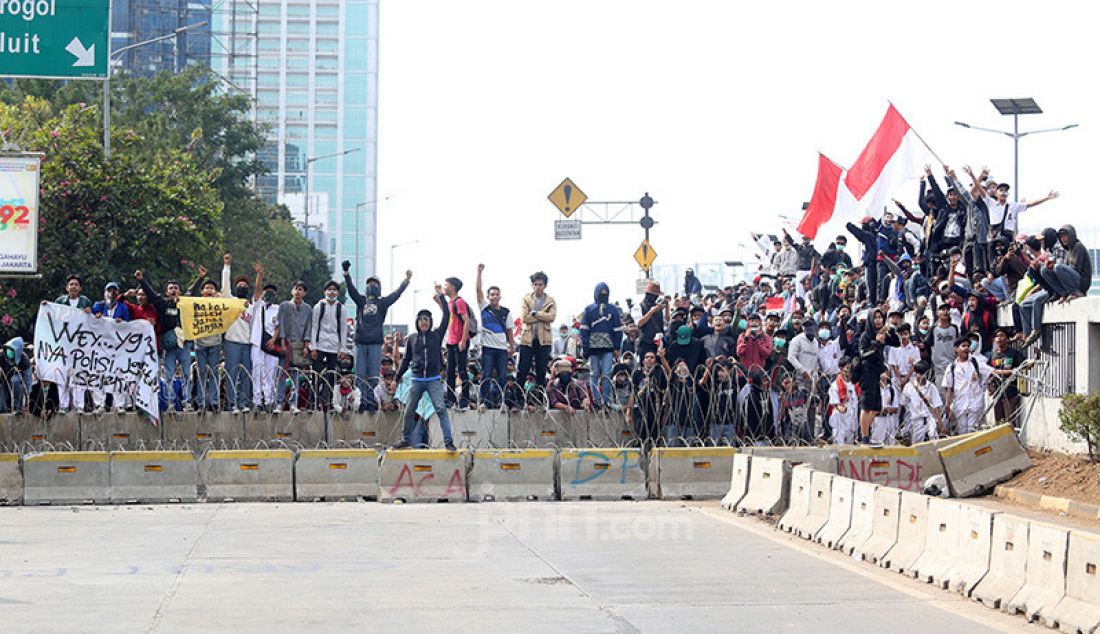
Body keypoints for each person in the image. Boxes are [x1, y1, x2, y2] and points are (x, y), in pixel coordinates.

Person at [343, 261, 412, 411]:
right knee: (360, 375)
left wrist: (405, 282)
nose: (372, 286)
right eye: (369, 284)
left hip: (375, 343)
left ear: (379, 288)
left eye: (375, 284)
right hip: (360, 342)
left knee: (373, 376)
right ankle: (361, 402)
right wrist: (346, 274)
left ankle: (371, 402)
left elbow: (396, 294)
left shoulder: (383, 303)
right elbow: (351, 290)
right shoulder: (361, 301)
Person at [394, 285, 455, 451]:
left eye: (427, 319)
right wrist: (397, 378)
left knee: (441, 410)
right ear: (417, 322)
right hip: (417, 380)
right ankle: (406, 439)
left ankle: (448, 442)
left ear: (430, 322)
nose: (424, 322)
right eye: (421, 319)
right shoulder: (412, 339)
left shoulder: (436, 335)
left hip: (433, 380)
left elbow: (447, 315)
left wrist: (441, 296)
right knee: (409, 411)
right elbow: (406, 359)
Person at [136, 270, 192, 411]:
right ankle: (170, 403)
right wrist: (142, 280)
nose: (174, 290)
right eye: (171, 288)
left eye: (176, 288)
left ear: (180, 291)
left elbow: (194, 293)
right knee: (168, 374)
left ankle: (187, 401)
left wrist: (201, 278)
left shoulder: (185, 303)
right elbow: (152, 295)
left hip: (184, 344)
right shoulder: (162, 304)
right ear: (167, 292)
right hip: (169, 345)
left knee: (186, 373)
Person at [222, 257, 260, 414]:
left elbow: (259, 293)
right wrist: (227, 265)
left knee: (246, 374)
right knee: (232, 373)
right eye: (239, 285)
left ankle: (243, 402)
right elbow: (225, 285)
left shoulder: (251, 307)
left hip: (247, 344)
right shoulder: (230, 301)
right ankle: (232, 403)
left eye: (245, 285)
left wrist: (259, 274)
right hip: (231, 342)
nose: (242, 287)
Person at [475, 264, 515, 409]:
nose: (495, 297)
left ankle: (502, 401)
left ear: (500, 296)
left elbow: (510, 331)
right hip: (488, 348)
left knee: (502, 377)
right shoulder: (484, 308)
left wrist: (512, 346)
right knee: (486, 375)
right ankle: (484, 402)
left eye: (497, 294)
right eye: (492, 294)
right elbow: (478, 290)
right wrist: (479, 273)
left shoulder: (506, 312)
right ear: (488, 296)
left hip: (502, 349)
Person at [580, 282, 622, 408]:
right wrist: (586, 348)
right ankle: (597, 402)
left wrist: (616, 347)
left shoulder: (612, 310)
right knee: (594, 374)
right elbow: (584, 330)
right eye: (601, 292)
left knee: (607, 374)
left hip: (608, 349)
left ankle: (606, 401)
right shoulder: (589, 309)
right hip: (593, 349)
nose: (603, 295)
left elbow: (617, 330)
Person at [188, 269, 224, 412]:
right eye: (206, 288)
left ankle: (214, 402)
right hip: (200, 344)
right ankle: (201, 402)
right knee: (201, 373)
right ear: (202, 291)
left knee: (214, 373)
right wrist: (200, 278)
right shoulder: (197, 303)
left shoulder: (220, 304)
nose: (209, 290)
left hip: (215, 343)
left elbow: (231, 307)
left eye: (212, 288)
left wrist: (220, 297)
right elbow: (188, 295)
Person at [942, 337, 993, 435]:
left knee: (971, 431)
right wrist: (948, 406)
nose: (966, 348)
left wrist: (1014, 371)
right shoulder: (951, 367)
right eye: (963, 346)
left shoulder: (975, 362)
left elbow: (992, 371)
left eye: (968, 346)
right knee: (962, 432)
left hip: (975, 403)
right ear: (956, 349)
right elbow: (949, 389)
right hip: (960, 405)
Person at [311, 280, 348, 411]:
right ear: (325, 291)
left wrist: (342, 348)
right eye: (329, 289)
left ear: (337, 292)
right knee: (316, 375)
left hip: (334, 346)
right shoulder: (319, 306)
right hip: (320, 344)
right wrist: (313, 347)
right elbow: (314, 327)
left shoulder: (341, 308)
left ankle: (329, 402)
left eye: (334, 290)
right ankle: (313, 403)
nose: (331, 292)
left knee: (332, 376)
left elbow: (343, 329)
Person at [517, 271, 557, 390]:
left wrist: (535, 313)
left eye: (540, 284)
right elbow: (524, 318)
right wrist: (542, 316)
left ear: (545, 286)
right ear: (532, 285)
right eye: (535, 284)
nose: (537, 287)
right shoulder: (526, 299)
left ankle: (540, 398)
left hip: (544, 340)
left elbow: (551, 317)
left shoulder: (550, 300)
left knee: (541, 370)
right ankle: (517, 399)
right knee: (523, 369)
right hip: (527, 339)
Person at [278, 281, 313, 413]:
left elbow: (308, 328)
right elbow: (280, 324)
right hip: (286, 343)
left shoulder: (308, 309)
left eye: (301, 289)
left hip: (299, 345)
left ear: (304, 293)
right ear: (292, 291)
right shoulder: (284, 306)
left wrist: (306, 345)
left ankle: (293, 403)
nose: (298, 292)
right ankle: (279, 403)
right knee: (282, 375)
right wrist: (282, 343)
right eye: (296, 289)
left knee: (296, 376)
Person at [249, 282, 282, 412]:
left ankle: (269, 400)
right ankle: (257, 401)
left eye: (272, 292)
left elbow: (279, 326)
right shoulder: (258, 305)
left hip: (271, 345)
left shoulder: (278, 308)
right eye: (267, 291)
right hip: (257, 342)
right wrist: (259, 275)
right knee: (257, 372)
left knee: (270, 373)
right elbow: (257, 290)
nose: (269, 293)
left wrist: (274, 340)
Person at [441, 276, 473, 407]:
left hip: (459, 341)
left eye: (446, 285)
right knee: (449, 371)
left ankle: (465, 399)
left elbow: (466, 320)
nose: (444, 287)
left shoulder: (459, 302)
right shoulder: (449, 303)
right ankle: (451, 398)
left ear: (453, 287)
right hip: (450, 341)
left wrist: (463, 340)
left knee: (461, 370)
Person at [626, 350, 667, 448]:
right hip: (640, 409)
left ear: (655, 361)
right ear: (643, 360)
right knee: (640, 436)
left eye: (652, 357)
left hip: (655, 409)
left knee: (655, 437)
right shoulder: (637, 373)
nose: (649, 359)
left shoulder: (659, 372)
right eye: (647, 357)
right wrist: (628, 412)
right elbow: (632, 393)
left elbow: (665, 391)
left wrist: (665, 411)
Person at [989, 327, 1027, 427]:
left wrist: (1036, 358)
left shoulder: (1014, 353)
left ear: (1007, 339)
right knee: (998, 420)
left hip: (1011, 391)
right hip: (997, 392)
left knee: (1010, 420)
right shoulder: (992, 355)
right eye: (997, 336)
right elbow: (989, 372)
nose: (999, 338)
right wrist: (989, 386)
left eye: (1002, 336)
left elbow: (1024, 366)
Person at [901, 360, 944, 443]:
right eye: (917, 373)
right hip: (916, 420)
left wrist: (940, 424)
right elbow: (904, 404)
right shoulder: (909, 387)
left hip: (929, 418)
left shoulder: (931, 387)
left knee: (933, 437)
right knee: (917, 443)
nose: (919, 376)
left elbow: (936, 407)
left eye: (921, 374)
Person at [829, 357, 859, 445]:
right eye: (847, 368)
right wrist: (841, 408)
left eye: (851, 368)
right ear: (841, 369)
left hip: (852, 418)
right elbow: (835, 404)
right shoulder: (835, 385)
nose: (849, 371)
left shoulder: (853, 384)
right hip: (840, 419)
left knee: (850, 446)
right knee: (839, 445)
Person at [635, 281, 666, 359]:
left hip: (657, 344)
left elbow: (664, 323)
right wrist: (651, 312)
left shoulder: (658, 308)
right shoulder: (639, 307)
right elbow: (639, 323)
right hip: (645, 343)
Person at [870, 371, 900, 445]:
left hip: (890, 419)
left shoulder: (892, 389)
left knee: (891, 443)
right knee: (877, 443)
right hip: (878, 419)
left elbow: (895, 408)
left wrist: (886, 410)